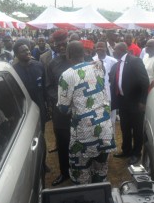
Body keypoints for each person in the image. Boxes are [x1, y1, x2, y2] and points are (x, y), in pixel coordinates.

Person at [57, 41, 116, 184]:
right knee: (101, 167)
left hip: (84, 132)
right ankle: (100, 192)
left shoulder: (67, 75)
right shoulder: (98, 66)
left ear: (68, 54)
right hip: (105, 127)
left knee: (80, 171)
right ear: (84, 53)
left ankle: (86, 195)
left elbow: (63, 108)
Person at [110, 42, 149, 165]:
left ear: (121, 50)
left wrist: (143, 101)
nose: (113, 51)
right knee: (125, 127)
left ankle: (136, 153)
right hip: (122, 101)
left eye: (114, 49)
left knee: (136, 129)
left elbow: (145, 81)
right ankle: (126, 150)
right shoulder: (116, 65)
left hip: (135, 102)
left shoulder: (134, 61)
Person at [46, 30, 72, 186]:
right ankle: (65, 172)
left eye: (64, 44)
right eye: (59, 45)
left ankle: (82, 170)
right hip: (61, 112)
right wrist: (62, 101)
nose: (62, 48)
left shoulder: (79, 60)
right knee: (63, 143)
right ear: (55, 46)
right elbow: (49, 87)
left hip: (80, 111)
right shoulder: (52, 64)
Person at [12, 40, 47, 130]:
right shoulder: (14, 71)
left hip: (40, 106)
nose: (27, 52)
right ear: (16, 55)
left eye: (27, 49)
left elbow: (44, 86)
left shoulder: (39, 66)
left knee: (41, 130)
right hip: (25, 109)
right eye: (23, 51)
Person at [92, 41, 117, 134]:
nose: (99, 49)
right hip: (96, 95)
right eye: (97, 47)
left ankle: (112, 139)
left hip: (110, 94)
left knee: (111, 120)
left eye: (101, 47)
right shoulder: (91, 60)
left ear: (106, 48)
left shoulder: (113, 61)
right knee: (99, 119)